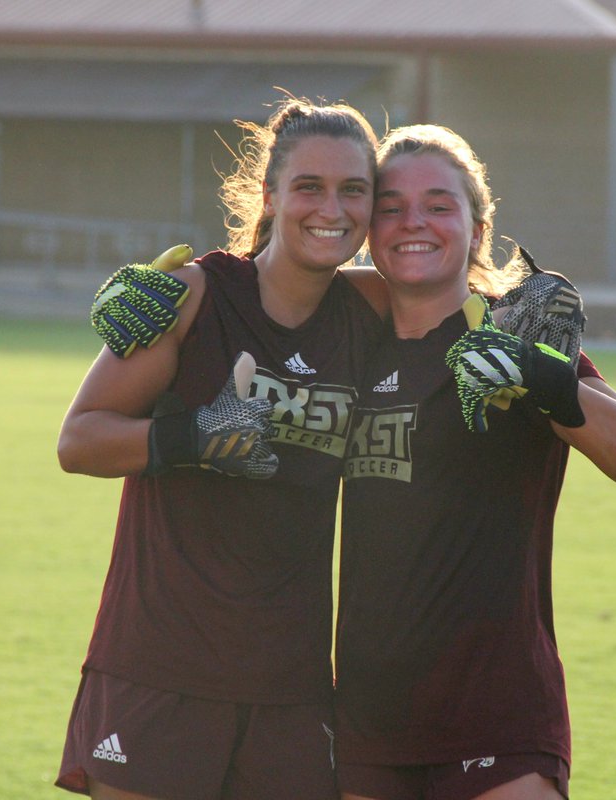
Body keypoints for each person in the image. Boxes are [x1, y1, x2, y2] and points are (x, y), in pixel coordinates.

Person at [54, 97, 389, 800]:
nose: (332, 209)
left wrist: (535, 297)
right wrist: (195, 437)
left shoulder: (372, 312)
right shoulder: (195, 297)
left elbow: (463, 288)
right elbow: (79, 440)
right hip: (159, 670)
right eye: (309, 187)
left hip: (291, 687)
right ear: (270, 194)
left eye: (353, 190)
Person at [334, 124, 616, 800]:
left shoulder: (511, 337)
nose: (413, 222)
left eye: (438, 205)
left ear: (479, 230)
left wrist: (546, 383)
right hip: (369, 716)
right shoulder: (347, 345)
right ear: (369, 233)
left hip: (498, 710)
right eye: (391, 207)